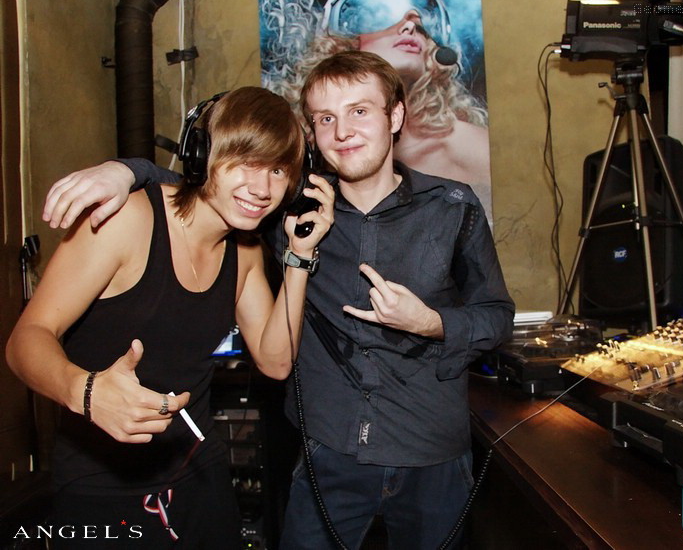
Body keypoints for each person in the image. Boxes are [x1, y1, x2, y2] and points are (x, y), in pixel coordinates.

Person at [41, 51, 514, 549]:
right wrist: (128, 170)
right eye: (325, 118)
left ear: (395, 116)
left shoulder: (453, 207)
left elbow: (497, 317)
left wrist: (432, 322)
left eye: (359, 111)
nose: (343, 131)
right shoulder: (291, 209)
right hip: (329, 454)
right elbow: (212, 189)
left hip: (432, 454)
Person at [6, 86, 334, 548]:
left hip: (199, 475)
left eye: (278, 170)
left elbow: (276, 361)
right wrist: (84, 391)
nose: (262, 189)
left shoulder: (244, 252)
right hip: (101, 485)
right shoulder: (126, 220)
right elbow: (26, 339)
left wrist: (299, 257)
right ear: (202, 156)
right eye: (245, 162)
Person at [259, 0, 494, 220]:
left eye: (421, 25)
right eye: (383, 15)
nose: (409, 27)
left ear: (396, 115)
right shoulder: (302, 168)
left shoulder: (470, 149)